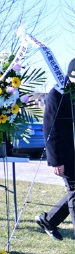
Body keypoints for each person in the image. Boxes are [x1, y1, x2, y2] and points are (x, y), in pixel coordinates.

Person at [36, 58, 75, 241]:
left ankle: (48, 220)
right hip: (65, 154)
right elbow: (50, 129)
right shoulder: (57, 94)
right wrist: (55, 160)